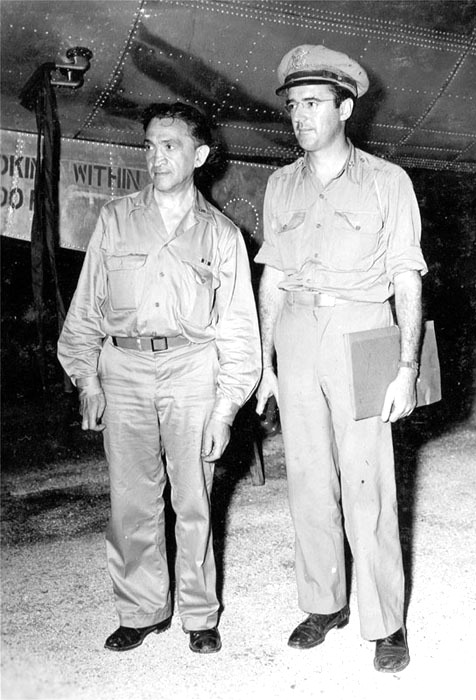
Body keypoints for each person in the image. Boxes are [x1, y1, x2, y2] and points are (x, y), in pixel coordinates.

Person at [58, 102, 261, 654]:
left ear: (199, 155)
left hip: (192, 369)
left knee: (194, 496)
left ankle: (199, 614)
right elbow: (85, 310)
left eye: (169, 146)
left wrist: (225, 409)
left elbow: (239, 329)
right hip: (122, 370)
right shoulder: (115, 219)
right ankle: (141, 609)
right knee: (131, 500)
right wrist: (88, 380)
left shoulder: (222, 234)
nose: (156, 157)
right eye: (149, 146)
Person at [255, 45, 427, 673]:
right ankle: (323, 603)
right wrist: (266, 365)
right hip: (297, 332)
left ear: (345, 108)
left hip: (364, 332)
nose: (300, 116)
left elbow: (407, 279)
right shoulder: (279, 184)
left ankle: (386, 620)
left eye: (313, 104)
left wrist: (405, 368)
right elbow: (271, 277)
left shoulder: (388, 182)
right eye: (293, 105)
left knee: (369, 486)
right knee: (307, 480)